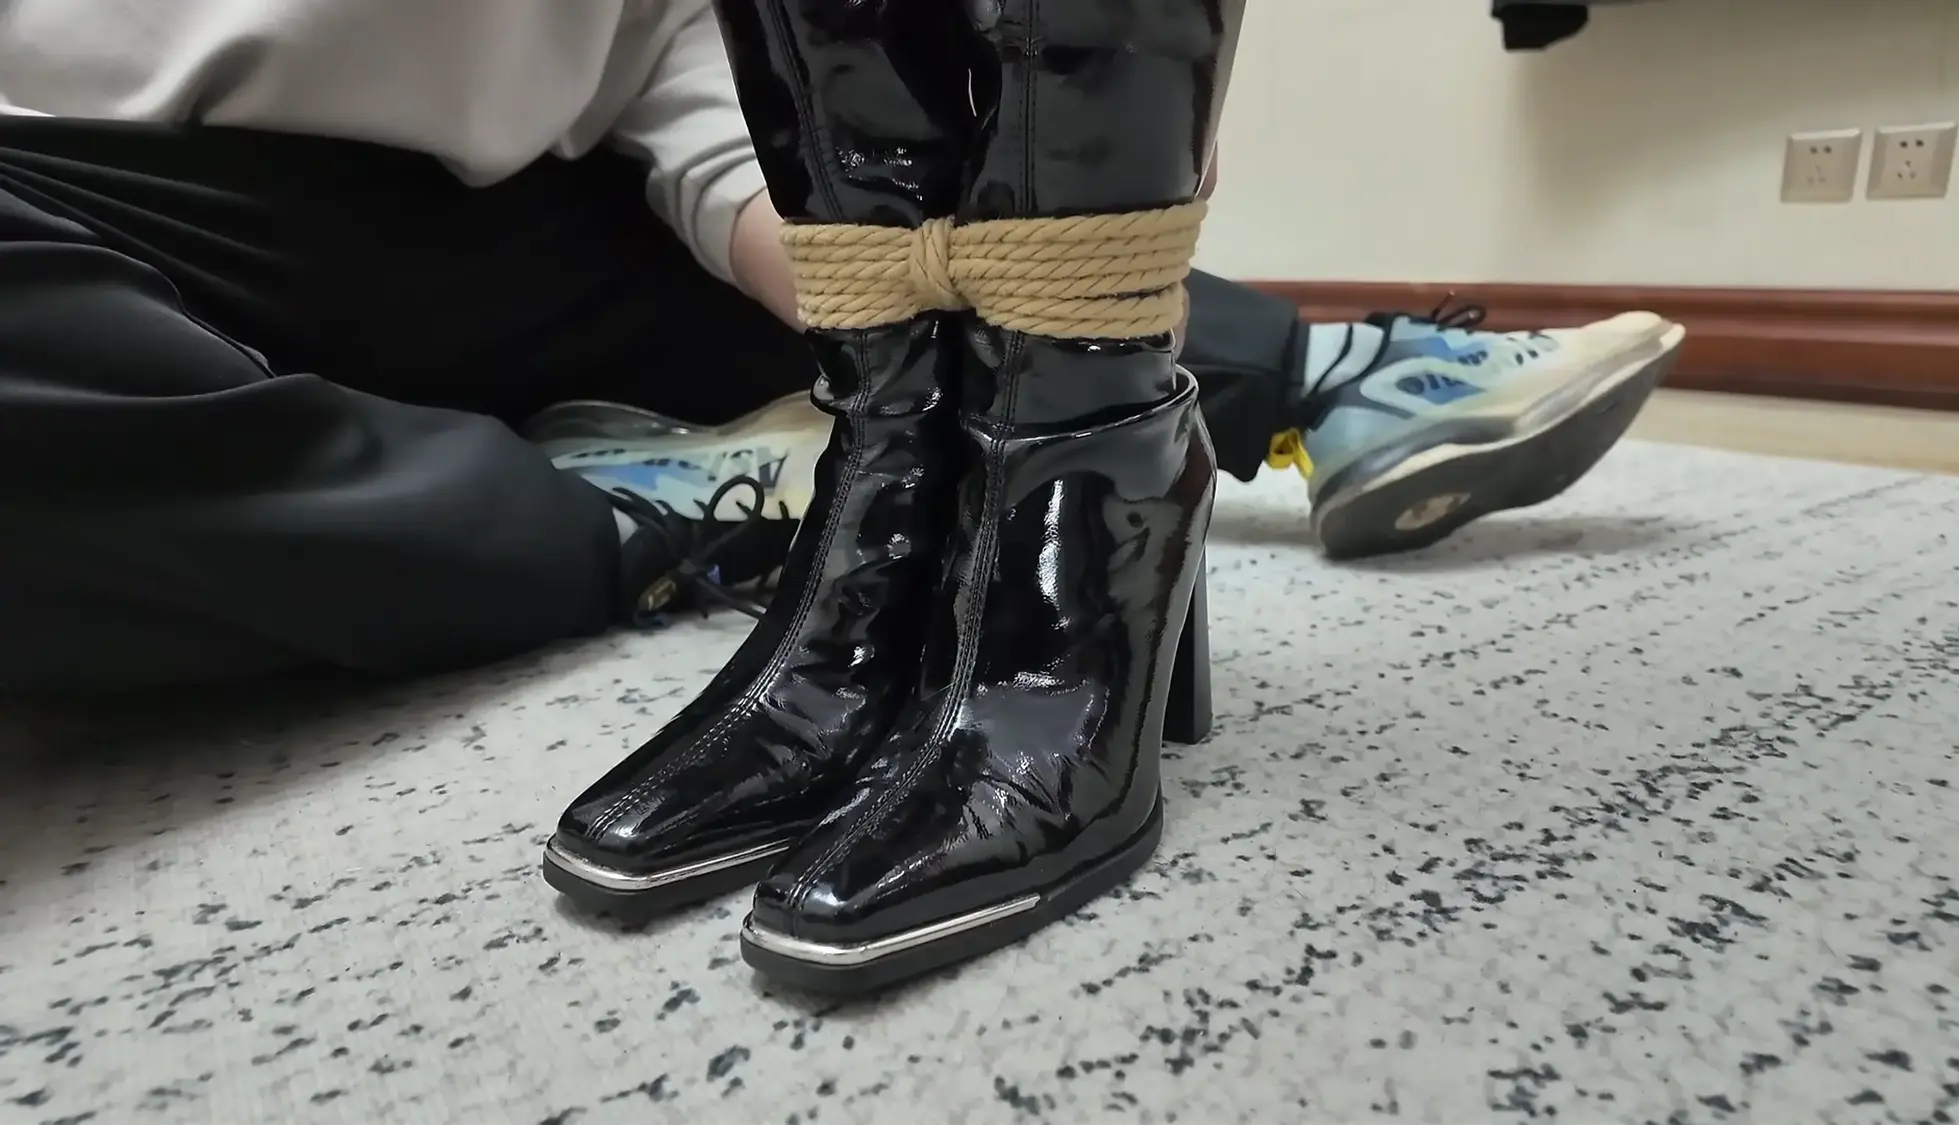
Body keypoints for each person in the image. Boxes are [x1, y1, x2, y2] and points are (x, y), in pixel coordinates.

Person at [0, 0, 1682, 698]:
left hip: (510, 209)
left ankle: (1298, 380)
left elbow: (699, 83)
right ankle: (646, 523)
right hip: (71, 197)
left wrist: (924, 263)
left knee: (899, 227)